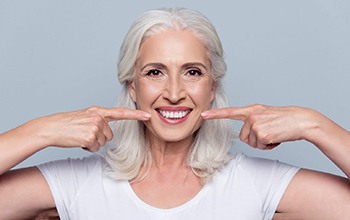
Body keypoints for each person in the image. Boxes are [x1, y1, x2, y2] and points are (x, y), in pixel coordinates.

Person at [0, 7, 349, 220]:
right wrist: (40, 132)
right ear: (132, 87)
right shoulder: (76, 184)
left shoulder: (255, 183)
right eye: (155, 72)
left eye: (192, 72)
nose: (174, 92)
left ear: (212, 87)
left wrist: (313, 124)